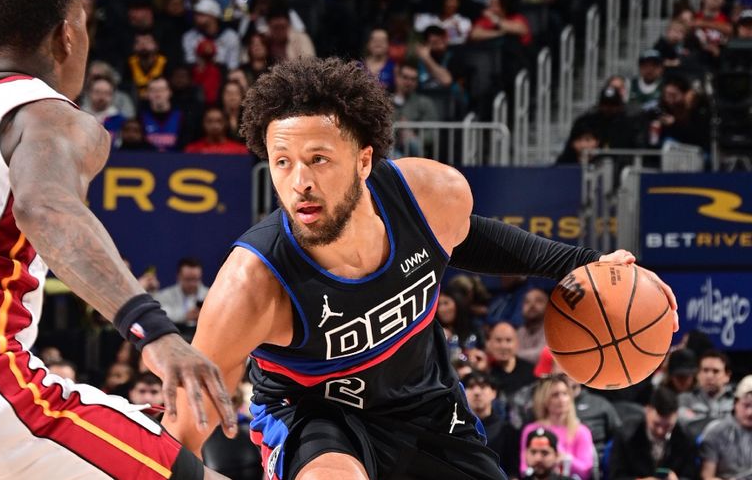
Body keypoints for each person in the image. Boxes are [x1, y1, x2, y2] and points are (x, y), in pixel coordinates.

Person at [163, 57, 676, 480]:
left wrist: (583, 263)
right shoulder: (251, 284)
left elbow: (468, 237)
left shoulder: (430, 195)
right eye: (283, 161)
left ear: (364, 161)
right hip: (317, 416)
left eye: (318, 158)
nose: (300, 181)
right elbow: (185, 427)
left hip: (424, 404)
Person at [0, 0, 235, 479]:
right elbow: (46, 207)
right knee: (186, 472)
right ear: (66, 35)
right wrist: (157, 333)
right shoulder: (47, 114)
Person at [609, 386, 698, 480]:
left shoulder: (686, 437)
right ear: (647, 410)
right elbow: (616, 475)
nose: (660, 431)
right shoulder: (625, 434)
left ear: (676, 416)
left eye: (667, 426)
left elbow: (691, 475)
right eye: (656, 424)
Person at [521, 375, 595, 480]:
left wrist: (564, 457)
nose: (561, 399)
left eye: (565, 394)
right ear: (544, 399)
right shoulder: (531, 430)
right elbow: (524, 468)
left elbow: (586, 472)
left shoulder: (581, 431)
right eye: (555, 395)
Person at [464, 371, 520, 478]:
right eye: (471, 387)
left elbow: (514, 472)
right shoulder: (458, 428)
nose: (476, 392)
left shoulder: (507, 429)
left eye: (483, 386)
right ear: (464, 393)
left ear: (494, 392)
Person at [700, 375, 752, 480]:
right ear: (735, 403)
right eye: (746, 405)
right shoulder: (716, 431)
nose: (750, 412)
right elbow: (707, 476)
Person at [678, 349, 735, 437]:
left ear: (727, 376)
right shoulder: (684, 399)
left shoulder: (736, 400)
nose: (709, 376)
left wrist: (701, 421)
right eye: (705, 370)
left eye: (715, 371)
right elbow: (688, 426)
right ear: (698, 374)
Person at [154, 257, 210, 326]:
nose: (192, 284)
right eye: (188, 279)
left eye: (195, 279)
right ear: (179, 277)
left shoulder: (210, 295)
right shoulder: (165, 295)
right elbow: (160, 314)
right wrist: (185, 316)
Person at [185, 107, 250, 155]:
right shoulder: (192, 150)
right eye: (209, 121)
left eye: (219, 121)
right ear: (203, 124)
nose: (214, 125)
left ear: (226, 123)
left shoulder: (240, 151)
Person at [516, 287, 548, 365]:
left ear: (548, 306)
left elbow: (542, 354)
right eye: (527, 302)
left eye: (538, 301)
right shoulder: (520, 331)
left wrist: (513, 354)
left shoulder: (553, 330)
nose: (532, 305)